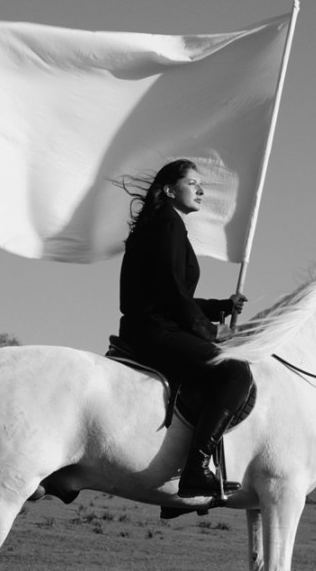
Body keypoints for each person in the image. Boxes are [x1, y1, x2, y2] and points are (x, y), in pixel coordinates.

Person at [118, 158, 253, 498]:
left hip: (152, 325)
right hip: (155, 332)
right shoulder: (167, 225)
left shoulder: (163, 223)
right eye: (192, 183)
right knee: (236, 374)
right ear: (168, 189)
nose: (201, 190)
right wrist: (211, 331)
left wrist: (220, 308)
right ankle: (196, 468)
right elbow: (173, 295)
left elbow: (171, 291)